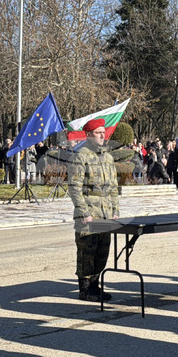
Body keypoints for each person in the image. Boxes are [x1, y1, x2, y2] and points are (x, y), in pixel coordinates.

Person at [67, 118, 119, 302]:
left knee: (102, 251)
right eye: (98, 133)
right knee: (87, 252)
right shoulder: (80, 155)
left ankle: (96, 287)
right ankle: (85, 289)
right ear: (89, 135)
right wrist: (83, 212)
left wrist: (115, 210)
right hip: (89, 214)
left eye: (103, 133)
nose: (102, 136)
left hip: (105, 214)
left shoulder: (107, 156)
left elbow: (113, 187)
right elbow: (74, 187)